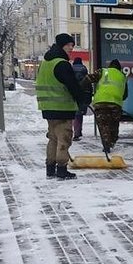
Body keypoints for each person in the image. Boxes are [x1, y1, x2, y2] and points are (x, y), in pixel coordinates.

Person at [35, 33, 91, 180]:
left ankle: (50, 168)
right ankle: (61, 169)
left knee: (53, 138)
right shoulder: (61, 63)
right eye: (69, 45)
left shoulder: (46, 62)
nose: (71, 48)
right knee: (64, 139)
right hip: (62, 108)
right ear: (61, 46)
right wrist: (82, 99)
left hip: (48, 108)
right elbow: (72, 85)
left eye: (72, 45)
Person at [86, 59, 128, 153]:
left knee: (103, 124)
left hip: (101, 103)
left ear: (109, 67)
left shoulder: (103, 71)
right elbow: (125, 95)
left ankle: (106, 144)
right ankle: (112, 141)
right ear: (119, 68)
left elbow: (88, 79)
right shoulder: (122, 76)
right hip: (115, 104)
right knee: (114, 124)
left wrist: (81, 90)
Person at [70, 57, 93, 141]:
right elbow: (88, 84)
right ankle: (78, 132)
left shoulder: (70, 69)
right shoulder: (84, 70)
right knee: (79, 114)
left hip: (72, 94)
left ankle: (73, 131)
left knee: (73, 114)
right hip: (83, 94)